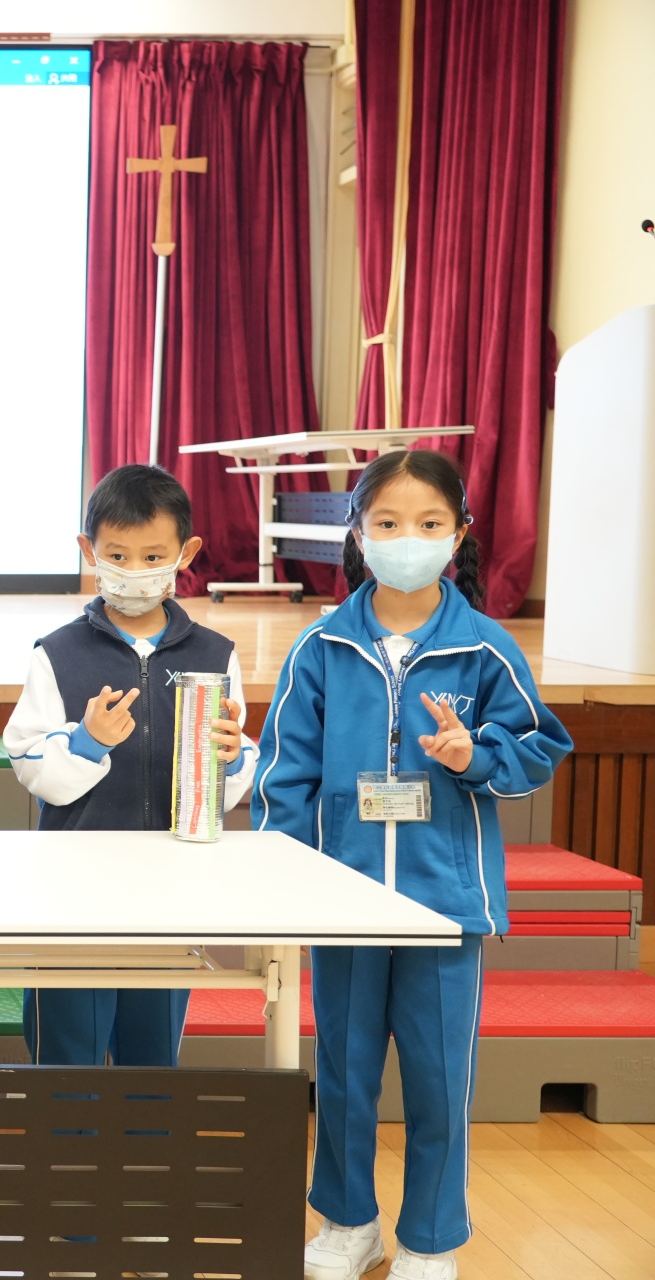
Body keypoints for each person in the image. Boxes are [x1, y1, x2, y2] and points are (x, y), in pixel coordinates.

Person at [255, 450, 571, 1280]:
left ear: (458, 534)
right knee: (344, 1076)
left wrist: (475, 755)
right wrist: (289, 889)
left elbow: (538, 748)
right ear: (358, 534)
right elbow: (284, 775)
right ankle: (347, 1223)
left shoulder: (486, 648)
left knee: (439, 1082)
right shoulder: (321, 646)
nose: (408, 539)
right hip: (344, 906)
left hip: (444, 905)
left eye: (429, 523)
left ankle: (432, 1240)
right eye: (388, 523)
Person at [1, 464, 255, 1066]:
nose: (134, 570)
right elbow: (29, 762)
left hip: (171, 891)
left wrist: (230, 759)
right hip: (74, 893)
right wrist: (87, 744)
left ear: (186, 553)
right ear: (88, 550)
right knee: (68, 1053)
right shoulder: (57, 653)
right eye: (117, 555)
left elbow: (236, 761)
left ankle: (147, 1131)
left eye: (153, 556)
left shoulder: (214, 653)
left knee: (152, 1056)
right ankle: (67, 1131)